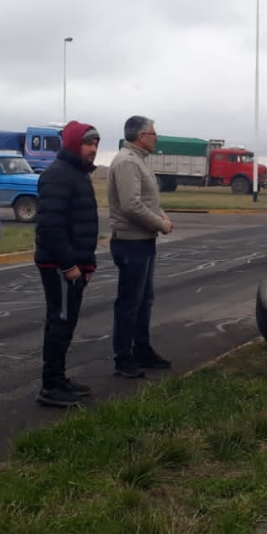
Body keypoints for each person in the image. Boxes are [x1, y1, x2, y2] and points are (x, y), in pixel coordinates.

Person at [34, 121, 100, 408]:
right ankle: (51, 385)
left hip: (76, 265)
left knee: (67, 322)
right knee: (59, 322)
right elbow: (51, 225)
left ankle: (59, 378)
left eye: (96, 144)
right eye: (88, 143)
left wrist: (88, 264)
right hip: (60, 267)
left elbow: (84, 224)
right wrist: (69, 265)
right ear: (74, 144)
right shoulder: (58, 175)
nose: (94, 149)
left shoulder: (78, 174)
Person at [107, 115, 173, 379]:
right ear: (140, 136)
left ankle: (142, 350)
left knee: (144, 300)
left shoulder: (139, 161)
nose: (156, 137)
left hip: (144, 240)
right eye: (153, 133)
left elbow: (147, 199)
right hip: (130, 242)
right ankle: (124, 358)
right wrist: (161, 224)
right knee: (130, 303)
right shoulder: (126, 162)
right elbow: (131, 205)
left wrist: (162, 216)